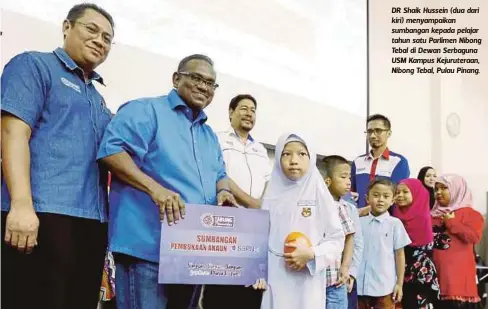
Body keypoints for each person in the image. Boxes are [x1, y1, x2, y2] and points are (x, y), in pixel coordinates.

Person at [97, 54, 237, 309]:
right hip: (147, 247)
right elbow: (111, 152)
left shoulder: (209, 135)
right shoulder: (146, 110)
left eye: (211, 83)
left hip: (192, 252)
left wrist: (224, 191)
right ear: (176, 78)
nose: (204, 87)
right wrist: (155, 188)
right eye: (196, 78)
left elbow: (220, 174)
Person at [1, 4, 114, 309]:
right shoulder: (34, 66)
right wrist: (21, 206)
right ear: (67, 27)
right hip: (42, 214)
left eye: (107, 37)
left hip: (92, 222)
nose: (100, 41)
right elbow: (13, 134)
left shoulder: (99, 99)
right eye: (91, 29)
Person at [260, 133, 345, 309]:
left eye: (301, 154)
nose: (293, 160)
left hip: (307, 281)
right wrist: (257, 272)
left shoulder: (318, 190)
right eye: (286, 154)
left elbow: (336, 238)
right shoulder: (271, 190)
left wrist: (312, 254)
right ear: (277, 157)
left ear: (311, 156)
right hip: (275, 278)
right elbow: (260, 235)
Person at [202, 94, 270, 308]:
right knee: (221, 290)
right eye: (243, 108)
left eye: (253, 109)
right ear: (231, 112)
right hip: (226, 223)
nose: (249, 113)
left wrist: (262, 205)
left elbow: (268, 181)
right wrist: (251, 202)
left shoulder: (260, 148)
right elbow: (218, 174)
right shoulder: (218, 139)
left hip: (255, 226)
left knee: (251, 290)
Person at [431, 174, 484, 309]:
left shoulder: (472, 214)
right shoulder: (431, 215)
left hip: (459, 281)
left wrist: (451, 222)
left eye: (444, 188)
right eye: (436, 189)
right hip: (435, 279)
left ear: (457, 189)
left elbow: (473, 237)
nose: (438, 192)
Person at [357, 179, 411, 309]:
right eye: (376, 195)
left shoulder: (395, 224)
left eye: (386, 196)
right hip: (359, 287)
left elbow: (400, 255)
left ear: (392, 200)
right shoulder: (359, 222)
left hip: (385, 287)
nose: (380, 199)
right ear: (367, 199)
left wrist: (399, 283)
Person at [393, 179, 440, 308]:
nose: (400, 195)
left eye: (405, 192)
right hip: (398, 274)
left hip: (420, 275)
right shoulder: (393, 215)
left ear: (416, 194)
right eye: (397, 192)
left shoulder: (422, 217)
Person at [351, 114, 410, 214]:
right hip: (359, 221)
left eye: (378, 130)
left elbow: (395, 196)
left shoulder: (398, 161)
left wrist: (365, 211)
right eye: (369, 131)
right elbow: (351, 193)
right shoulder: (358, 161)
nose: (373, 135)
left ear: (389, 133)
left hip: (385, 222)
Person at [323, 155, 359, 309]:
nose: (349, 182)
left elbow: (349, 237)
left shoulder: (341, 207)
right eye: (343, 177)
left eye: (349, 177)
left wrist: (345, 267)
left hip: (335, 279)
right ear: (327, 182)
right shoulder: (314, 206)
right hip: (314, 280)